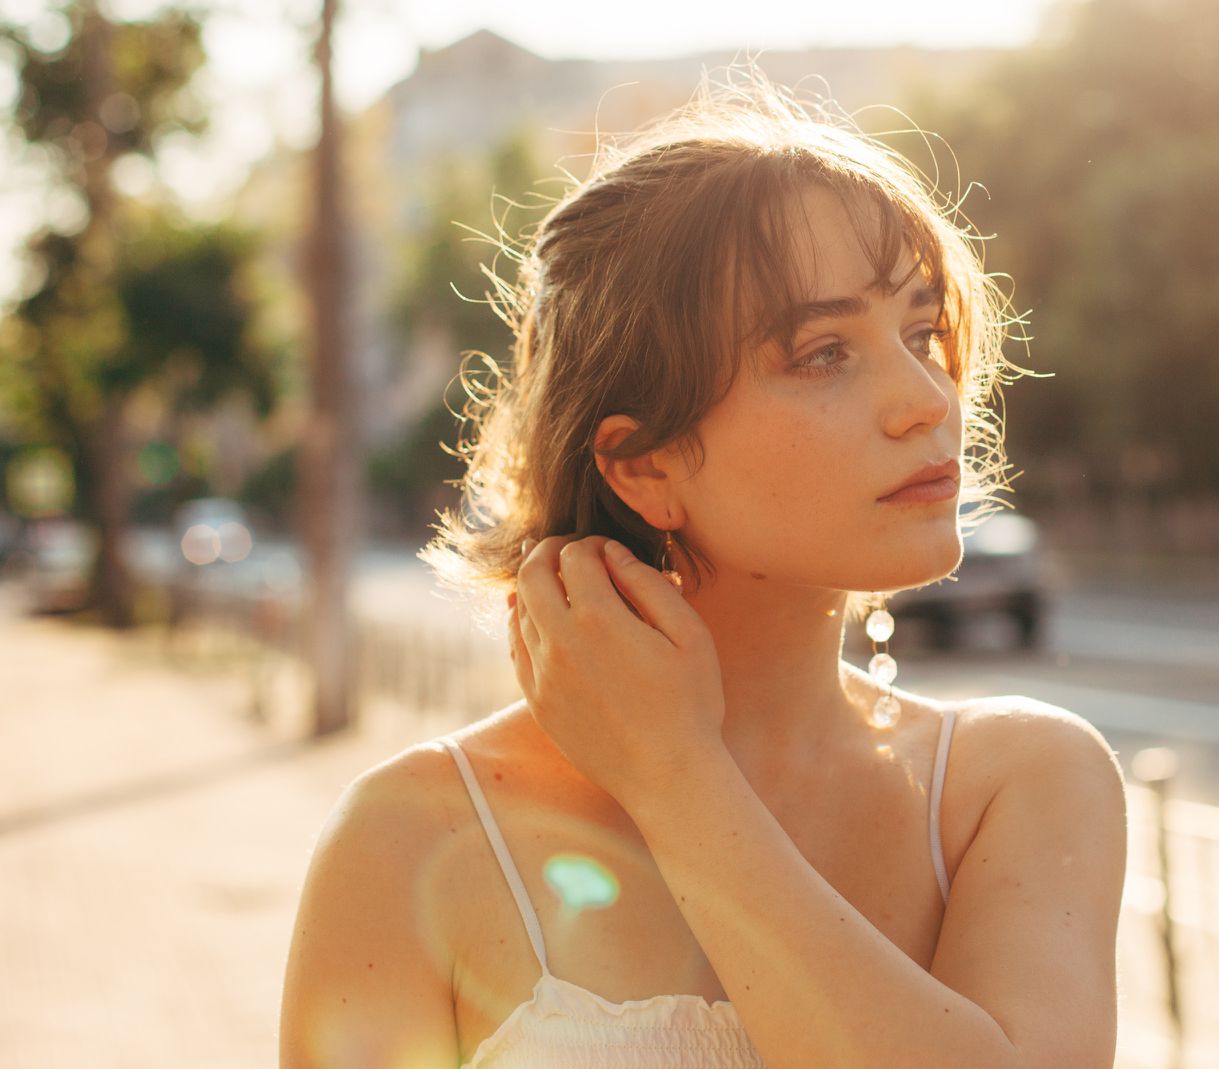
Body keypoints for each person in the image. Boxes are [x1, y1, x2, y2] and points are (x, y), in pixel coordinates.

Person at [279, 65, 1127, 1069]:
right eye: (822, 352)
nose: (928, 401)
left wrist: (679, 779)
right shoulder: (410, 839)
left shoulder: (1017, 783)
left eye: (920, 330)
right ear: (645, 464)